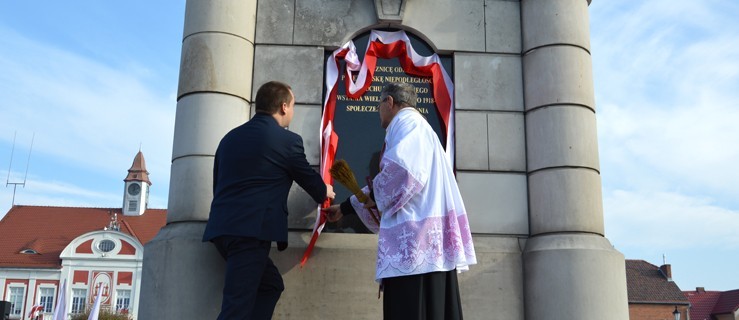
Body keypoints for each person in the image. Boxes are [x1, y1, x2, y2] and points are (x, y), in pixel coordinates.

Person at [324, 82, 477, 320]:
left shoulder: (408, 124)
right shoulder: (415, 127)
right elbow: (391, 179)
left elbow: (404, 172)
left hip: (416, 245)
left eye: (379, 104)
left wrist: (375, 197)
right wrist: (346, 208)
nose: (378, 111)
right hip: (426, 247)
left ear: (389, 102)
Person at [203, 80, 335, 320]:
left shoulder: (229, 139)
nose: (293, 113)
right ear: (284, 107)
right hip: (250, 233)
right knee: (236, 308)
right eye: (293, 106)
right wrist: (324, 189)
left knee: (271, 285)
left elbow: (217, 184)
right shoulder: (287, 141)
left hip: (223, 230)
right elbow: (306, 177)